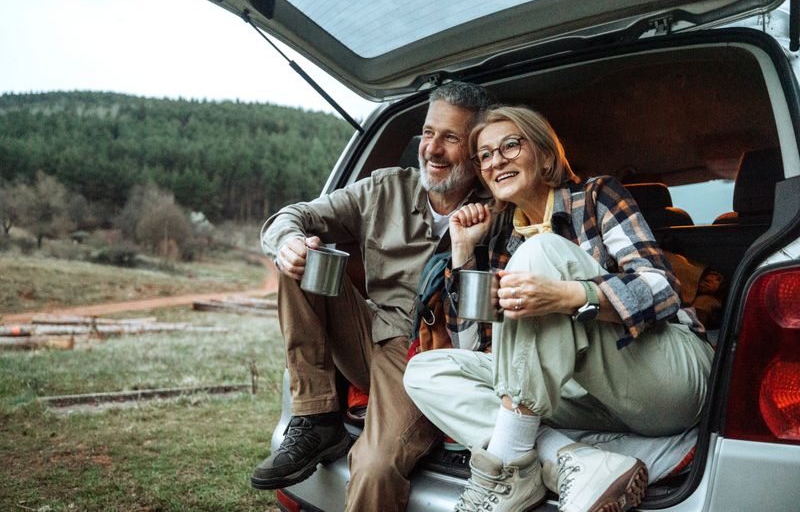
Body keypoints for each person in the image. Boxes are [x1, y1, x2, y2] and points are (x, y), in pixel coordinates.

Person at [404, 105, 714, 512]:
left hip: (664, 377)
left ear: (546, 154)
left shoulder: (596, 197)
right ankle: (579, 459)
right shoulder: (501, 244)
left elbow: (661, 288)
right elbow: (479, 351)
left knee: (543, 250)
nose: (496, 161)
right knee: (427, 370)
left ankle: (512, 467)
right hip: (585, 401)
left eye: (510, 146)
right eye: (485, 155)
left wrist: (569, 297)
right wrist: (463, 251)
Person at [253, 82, 493, 511]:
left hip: (425, 356)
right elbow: (294, 215)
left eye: (450, 138)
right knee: (303, 255)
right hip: (365, 333)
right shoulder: (385, 188)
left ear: (477, 151)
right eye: (428, 133)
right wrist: (287, 241)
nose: (432, 149)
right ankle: (316, 415)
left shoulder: (498, 212)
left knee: (375, 467)